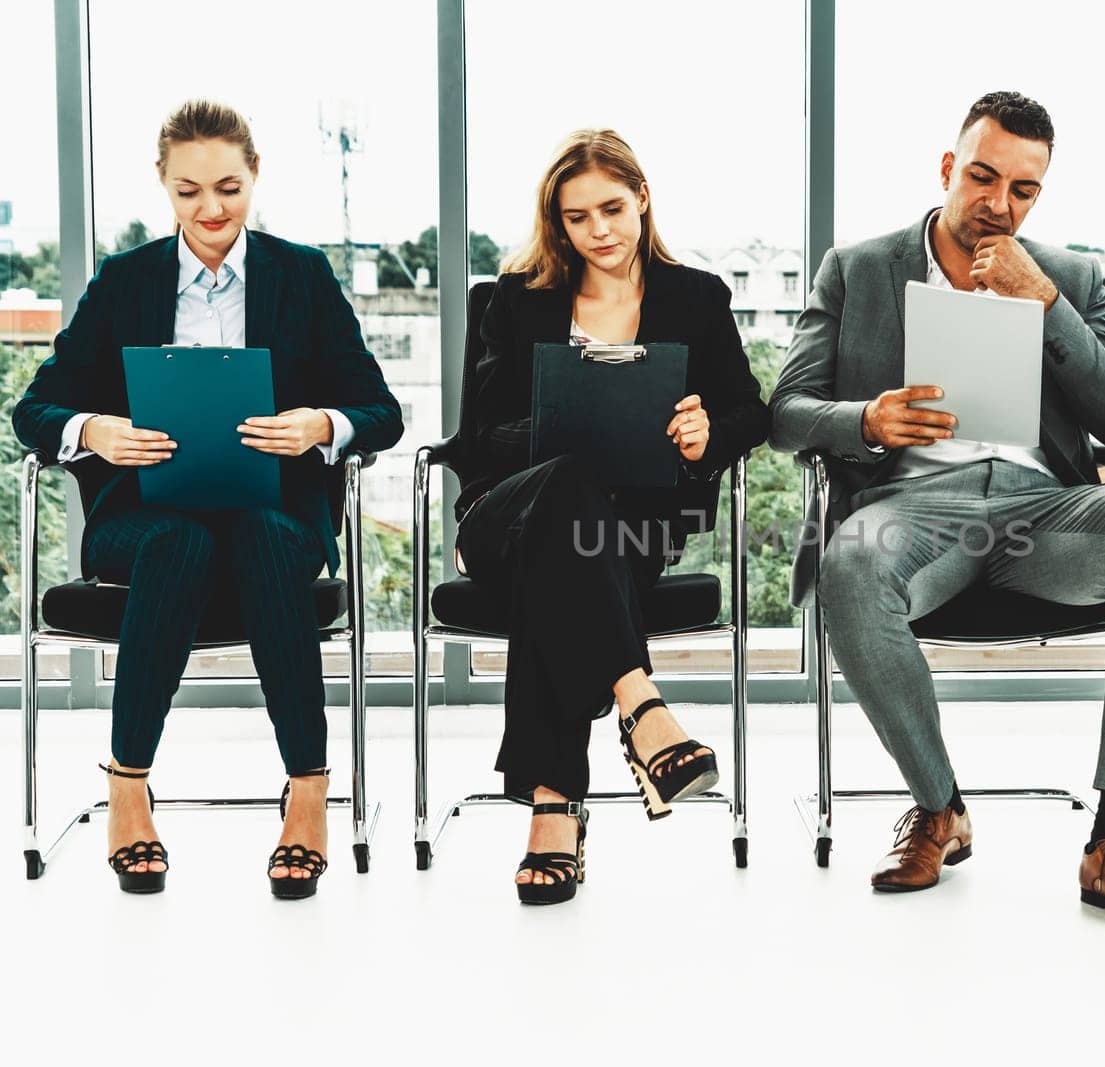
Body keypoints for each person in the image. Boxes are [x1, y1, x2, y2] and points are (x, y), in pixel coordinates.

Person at [770, 92, 1105, 930]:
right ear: (947, 168)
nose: (999, 204)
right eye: (982, 177)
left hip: (1045, 509)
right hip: (912, 507)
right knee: (850, 559)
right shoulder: (857, 270)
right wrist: (865, 419)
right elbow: (786, 409)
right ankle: (940, 807)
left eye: (1024, 190)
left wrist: (1045, 303)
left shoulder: (1068, 278)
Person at [11, 99, 404, 898]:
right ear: (163, 186)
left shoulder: (303, 276)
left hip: (278, 517)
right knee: (180, 541)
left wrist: (318, 424)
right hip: (146, 521)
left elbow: (380, 412)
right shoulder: (125, 283)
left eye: (228, 185)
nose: (212, 208)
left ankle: (307, 793)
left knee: (257, 535)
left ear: (254, 175)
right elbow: (35, 410)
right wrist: (97, 430)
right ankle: (128, 785)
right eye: (189, 191)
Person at [463, 129, 769, 905]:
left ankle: (554, 808)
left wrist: (708, 435)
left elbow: (748, 413)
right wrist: (566, 420)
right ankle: (643, 707)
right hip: (509, 514)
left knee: (560, 569)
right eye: (576, 217)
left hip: (624, 530)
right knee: (564, 484)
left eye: (610, 207)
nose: (598, 229)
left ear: (642, 198)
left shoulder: (696, 298)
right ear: (556, 224)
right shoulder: (517, 298)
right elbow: (477, 437)